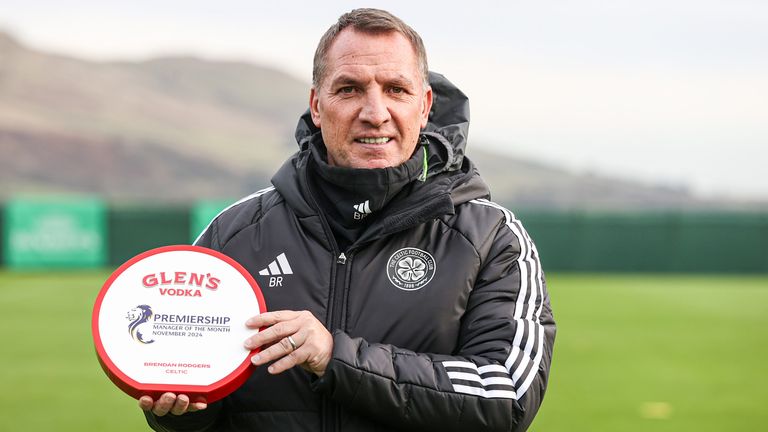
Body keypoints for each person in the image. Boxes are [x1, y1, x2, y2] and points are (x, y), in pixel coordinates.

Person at [140, 8, 555, 432]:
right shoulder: (234, 235)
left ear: (425, 105)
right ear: (317, 106)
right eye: (350, 89)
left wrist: (335, 357)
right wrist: (186, 408)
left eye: (396, 89)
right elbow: (200, 390)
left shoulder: (489, 238)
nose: (374, 112)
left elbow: (506, 398)